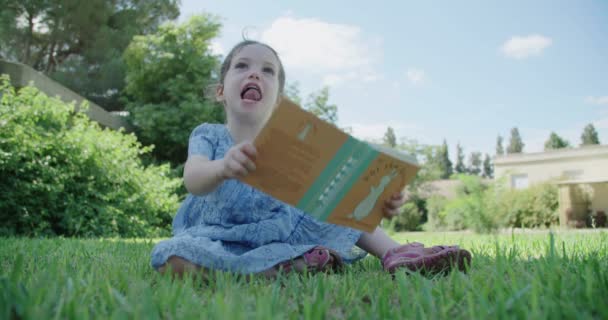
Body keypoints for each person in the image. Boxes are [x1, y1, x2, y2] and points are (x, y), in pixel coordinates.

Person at [150, 40, 471, 279]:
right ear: (220, 91)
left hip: (278, 232)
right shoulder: (209, 134)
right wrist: (222, 167)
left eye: (267, 71)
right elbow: (193, 178)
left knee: (338, 204)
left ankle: (396, 254)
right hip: (219, 235)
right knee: (171, 258)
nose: (255, 75)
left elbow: (334, 195)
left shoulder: (289, 144)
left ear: (277, 101)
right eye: (242, 66)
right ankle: (276, 269)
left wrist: (378, 200)